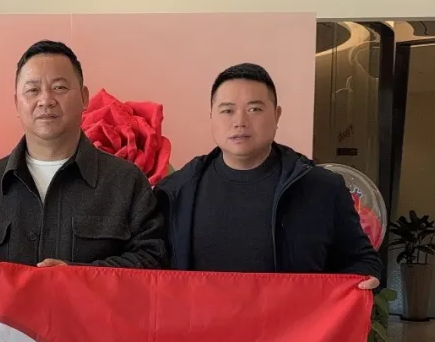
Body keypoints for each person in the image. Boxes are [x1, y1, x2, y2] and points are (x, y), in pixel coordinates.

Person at [155, 63, 381, 287]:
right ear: (212, 117)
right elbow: (156, 275)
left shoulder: (324, 188)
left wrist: (365, 278)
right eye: (227, 110)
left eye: (254, 109)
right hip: (201, 313)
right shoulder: (175, 192)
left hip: (294, 313)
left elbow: (361, 260)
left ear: (276, 115)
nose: (240, 122)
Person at [0, 40, 166, 268]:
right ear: (16, 103)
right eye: (33, 90)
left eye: (59, 88)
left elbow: (152, 259)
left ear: (84, 97)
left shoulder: (127, 183)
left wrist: (76, 277)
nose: (46, 100)